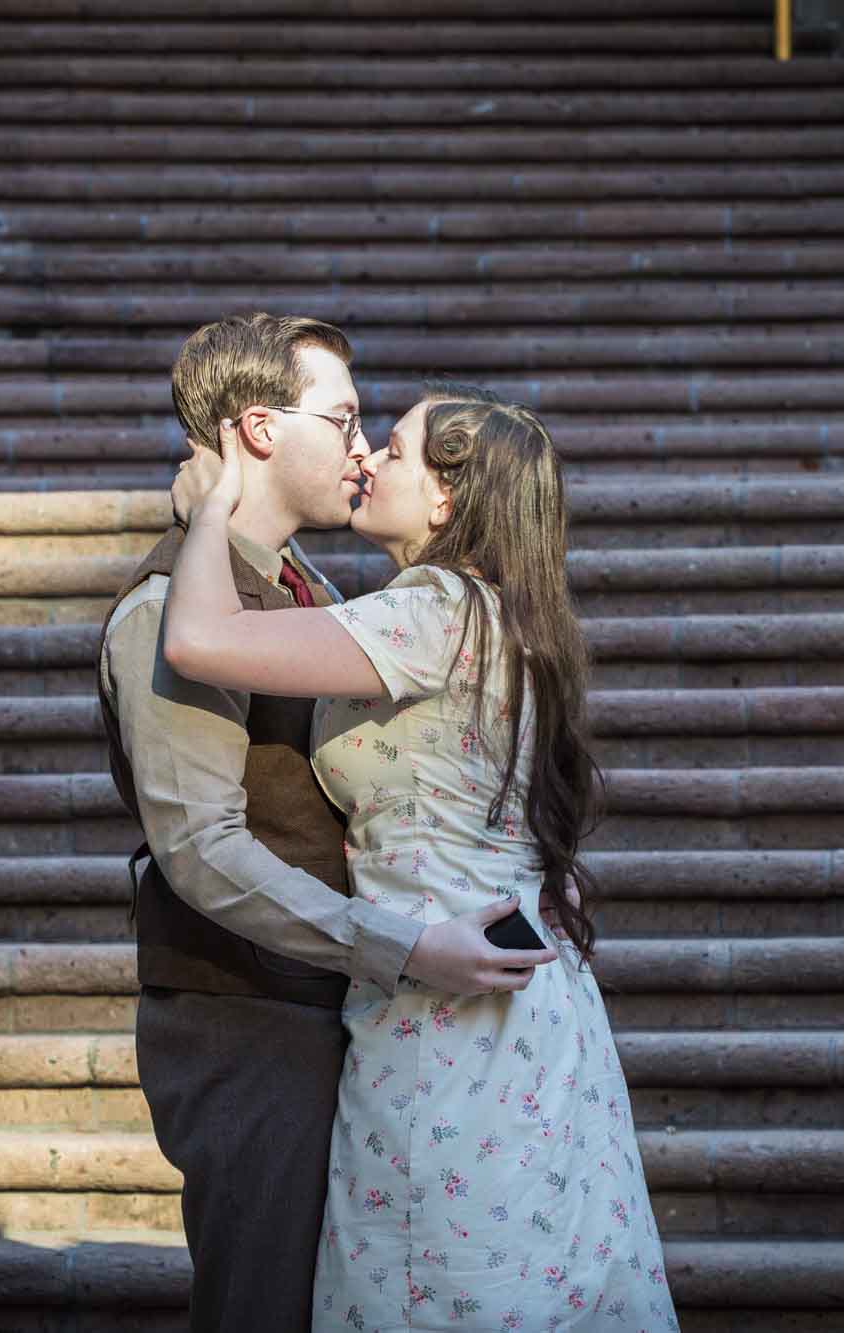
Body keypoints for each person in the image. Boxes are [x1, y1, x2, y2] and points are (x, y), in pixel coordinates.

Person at [163, 384, 679, 1330]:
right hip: (514, 1002)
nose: (367, 460)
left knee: (437, 1288)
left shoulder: (438, 610)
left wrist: (210, 511)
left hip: (450, 1009)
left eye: (393, 450)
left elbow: (197, 639)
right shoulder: (494, 615)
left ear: (448, 498)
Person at [96, 315, 568, 1333]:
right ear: (258, 429)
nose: (362, 450)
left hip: (350, 997)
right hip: (249, 1015)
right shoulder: (161, 608)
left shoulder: (318, 590)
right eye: (348, 419)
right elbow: (202, 853)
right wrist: (396, 944)